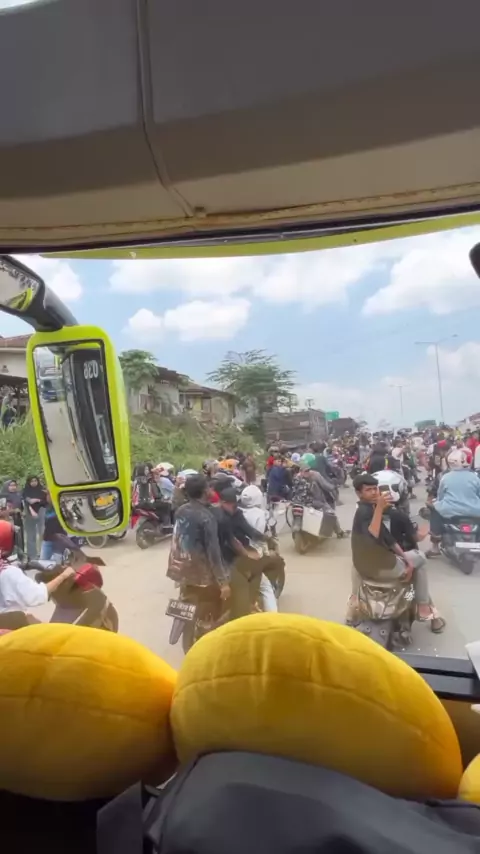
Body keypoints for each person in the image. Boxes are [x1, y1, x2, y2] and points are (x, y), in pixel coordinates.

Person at [350, 473, 443, 629]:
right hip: (384, 567)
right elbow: (374, 533)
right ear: (359, 493)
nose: (373, 492)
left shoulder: (369, 510)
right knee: (420, 560)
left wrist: (406, 559)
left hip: (366, 568)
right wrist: (379, 508)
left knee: (356, 566)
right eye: (368, 490)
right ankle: (424, 607)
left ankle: (353, 606)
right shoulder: (366, 512)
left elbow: (389, 539)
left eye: (375, 489)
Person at [167, 473, 229, 599]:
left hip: (179, 569)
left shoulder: (181, 510)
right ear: (205, 491)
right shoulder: (206, 517)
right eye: (209, 487)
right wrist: (223, 583)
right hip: (200, 574)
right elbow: (213, 552)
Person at [0, 519, 75, 617]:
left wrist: (28, 565)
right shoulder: (9, 573)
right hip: (11, 622)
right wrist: (64, 575)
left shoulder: (5, 568)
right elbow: (38, 595)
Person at [239, 484, 284, 612]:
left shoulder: (236, 511)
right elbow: (267, 533)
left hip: (236, 554)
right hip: (254, 555)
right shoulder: (261, 514)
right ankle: (273, 618)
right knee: (266, 588)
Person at [428, 449, 480, 556]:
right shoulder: (475, 477)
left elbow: (440, 496)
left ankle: (435, 545)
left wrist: (436, 502)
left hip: (450, 511)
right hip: (474, 511)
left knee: (433, 508)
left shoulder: (445, 477)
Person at [22, 474, 47, 559]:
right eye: (32, 481)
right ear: (28, 482)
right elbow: (27, 501)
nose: (34, 482)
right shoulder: (25, 491)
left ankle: (43, 554)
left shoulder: (42, 490)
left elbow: (45, 502)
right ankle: (32, 555)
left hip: (41, 511)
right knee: (30, 535)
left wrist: (37, 500)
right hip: (29, 513)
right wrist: (31, 507)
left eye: (35, 481)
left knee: (43, 533)